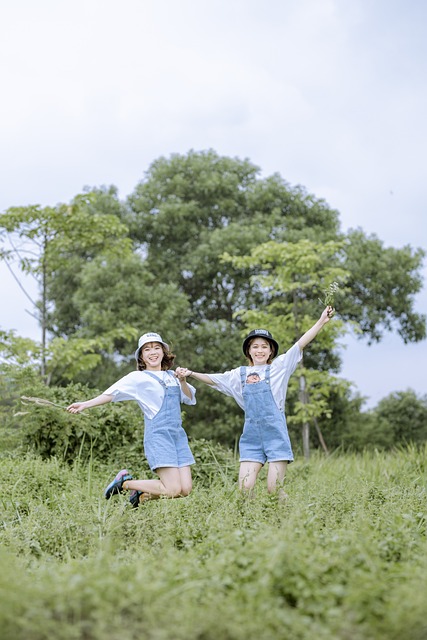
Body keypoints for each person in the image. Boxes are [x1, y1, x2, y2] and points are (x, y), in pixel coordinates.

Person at [176, 307, 334, 498]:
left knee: (274, 490)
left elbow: (300, 344)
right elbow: (214, 379)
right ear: (249, 351)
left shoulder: (279, 367)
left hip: (275, 434)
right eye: (255, 346)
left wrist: (321, 321)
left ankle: (290, 520)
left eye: (264, 346)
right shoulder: (238, 374)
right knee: (244, 489)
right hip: (251, 438)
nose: (260, 350)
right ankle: (251, 524)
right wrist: (190, 374)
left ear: (271, 351)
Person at [67, 332, 197, 508]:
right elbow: (112, 394)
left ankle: (141, 494)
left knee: (185, 490)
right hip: (158, 436)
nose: (153, 352)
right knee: (173, 489)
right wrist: (85, 404)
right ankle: (124, 483)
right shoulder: (138, 378)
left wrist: (182, 380)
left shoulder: (173, 376)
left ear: (163, 352)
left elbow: (189, 398)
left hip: (177, 436)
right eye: (147, 349)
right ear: (141, 356)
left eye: (157, 348)